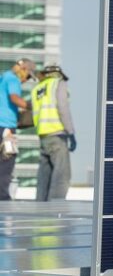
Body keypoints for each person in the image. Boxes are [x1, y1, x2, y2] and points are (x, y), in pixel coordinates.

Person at [32, 65, 76, 201]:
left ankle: (41, 207)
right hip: (57, 134)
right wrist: (71, 133)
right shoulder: (58, 84)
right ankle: (55, 207)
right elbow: (62, 108)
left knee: (44, 176)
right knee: (61, 175)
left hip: (43, 135)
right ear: (57, 74)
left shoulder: (38, 89)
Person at [0, 59, 35, 200]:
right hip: (6, 126)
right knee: (7, 159)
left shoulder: (3, 77)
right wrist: (33, 106)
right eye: (27, 76)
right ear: (24, 69)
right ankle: (2, 196)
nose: (25, 80)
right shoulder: (13, 79)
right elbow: (14, 98)